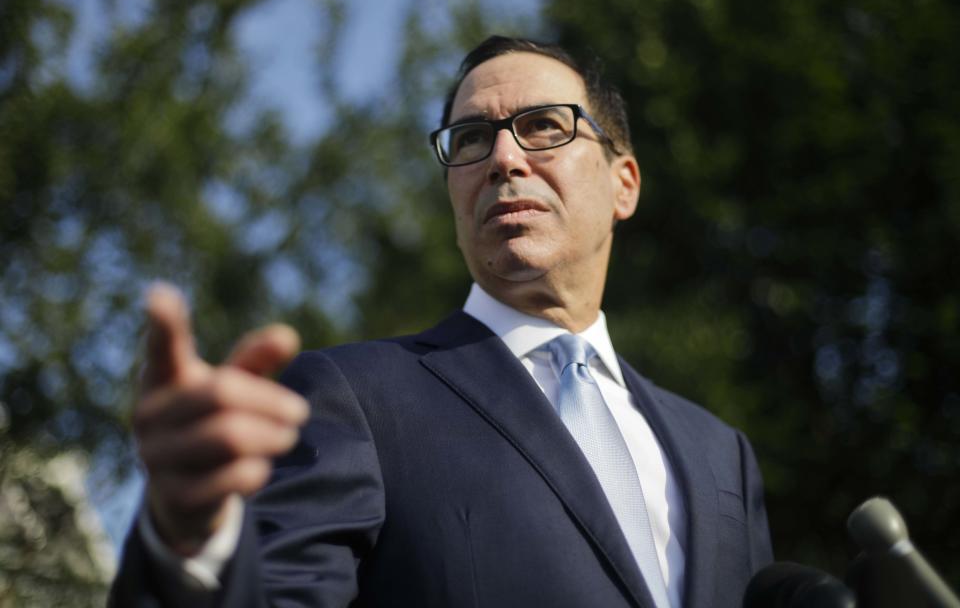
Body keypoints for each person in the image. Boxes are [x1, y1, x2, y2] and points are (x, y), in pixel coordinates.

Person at [111, 36, 773, 608]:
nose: (505, 159)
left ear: (623, 182)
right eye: (472, 138)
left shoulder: (721, 454)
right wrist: (189, 540)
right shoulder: (359, 400)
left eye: (545, 125)